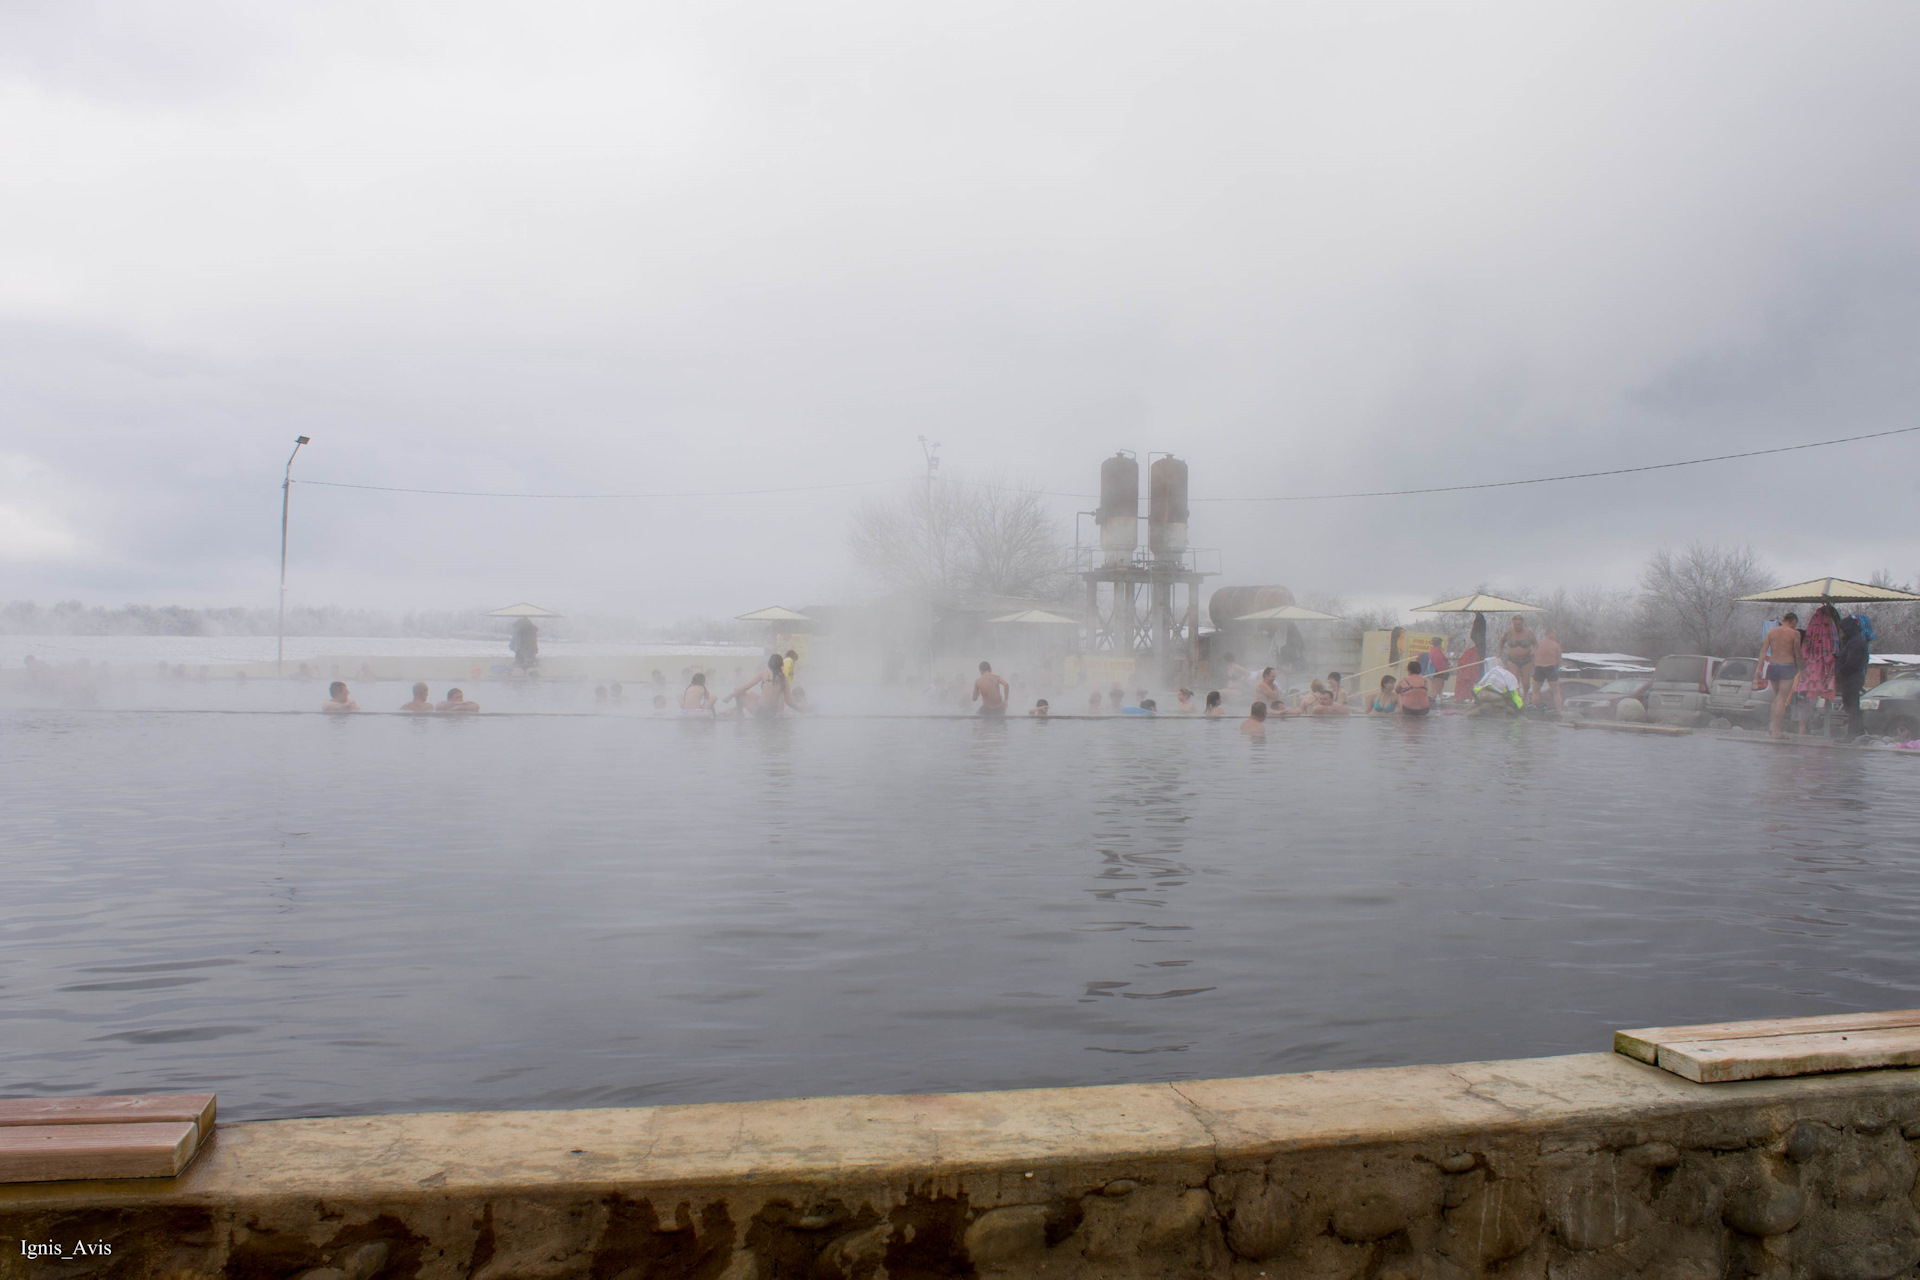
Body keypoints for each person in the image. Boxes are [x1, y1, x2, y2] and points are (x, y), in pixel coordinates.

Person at [1758, 612, 1803, 739]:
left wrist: (1759, 669)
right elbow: (1798, 654)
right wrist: (1802, 669)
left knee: (1776, 698)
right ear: (1794, 621)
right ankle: (1776, 731)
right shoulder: (1794, 633)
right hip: (1787, 666)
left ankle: (1772, 727)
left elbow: (1763, 651)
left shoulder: (1771, 632)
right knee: (1782, 699)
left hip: (1773, 666)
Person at [1836, 616, 1868, 741]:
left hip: (1851, 678)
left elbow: (1852, 662)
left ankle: (1852, 735)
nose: (1842, 631)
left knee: (1852, 707)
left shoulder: (1855, 642)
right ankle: (1858, 733)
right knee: (1852, 706)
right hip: (1852, 678)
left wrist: (1841, 671)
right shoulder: (1854, 640)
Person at [1500, 617, 1536, 701]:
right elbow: (1501, 641)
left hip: (1526, 660)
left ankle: (1525, 697)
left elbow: (1535, 644)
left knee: (1526, 682)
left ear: (1523, 623)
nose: (1517, 626)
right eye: (1515, 624)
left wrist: (1534, 651)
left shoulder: (1529, 633)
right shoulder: (1509, 633)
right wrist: (1499, 652)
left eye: (1519, 624)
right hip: (1512, 660)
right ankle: (1515, 699)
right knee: (1514, 681)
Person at [1531, 628, 1564, 711]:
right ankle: (1559, 711)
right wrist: (1557, 666)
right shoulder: (1556, 645)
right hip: (1550, 668)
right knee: (1556, 692)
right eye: (1554, 634)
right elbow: (1559, 660)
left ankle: (1534, 708)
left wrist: (1533, 668)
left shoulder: (1537, 644)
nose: (1556, 636)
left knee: (1535, 691)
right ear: (1550, 634)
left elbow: (1532, 657)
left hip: (1539, 668)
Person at [1425, 638, 1451, 702]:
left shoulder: (1433, 651)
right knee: (1438, 685)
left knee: (1436, 685)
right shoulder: (1436, 652)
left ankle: (1439, 695)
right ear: (1438, 644)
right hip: (1438, 671)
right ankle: (1434, 696)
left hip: (1434, 671)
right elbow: (1439, 663)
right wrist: (1444, 670)